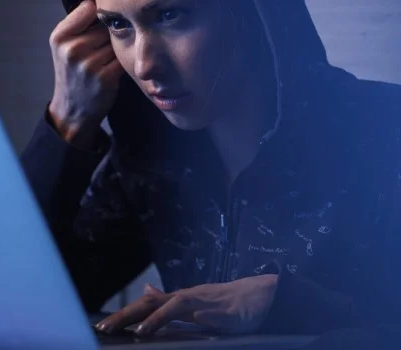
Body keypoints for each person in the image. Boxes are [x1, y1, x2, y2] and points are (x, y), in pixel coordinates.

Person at [20, 0, 401, 340]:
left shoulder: (386, 130)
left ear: (253, 12)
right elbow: (27, 298)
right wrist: (68, 123)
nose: (144, 63)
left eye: (171, 15)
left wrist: (284, 303)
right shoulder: (150, 159)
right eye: (119, 26)